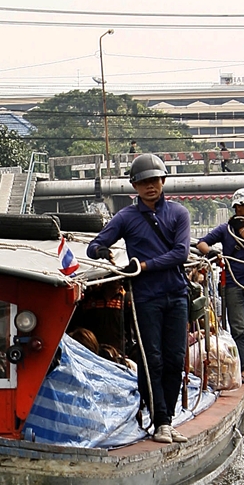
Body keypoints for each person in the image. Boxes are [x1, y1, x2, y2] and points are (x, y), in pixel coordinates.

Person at [86, 153, 191, 444]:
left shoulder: (178, 214)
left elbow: (181, 253)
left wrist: (144, 266)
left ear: (163, 181)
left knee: (175, 360)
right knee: (151, 360)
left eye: (155, 180)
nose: (150, 186)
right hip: (146, 298)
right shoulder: (125, 217)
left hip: (176, 295)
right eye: (144, 182)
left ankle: (166, 419)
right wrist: (102, 252)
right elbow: (94, 245)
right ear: (135, 186)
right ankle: (161, 422)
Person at [196, 187, 244, 385]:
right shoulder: (223, 230)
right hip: (234, 285)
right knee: (239, 328)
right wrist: (211, 252)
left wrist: (242, 228)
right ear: (238, 207)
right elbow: (202, 243)